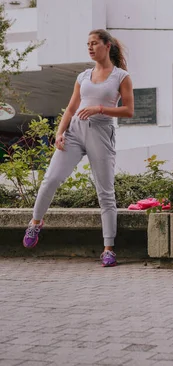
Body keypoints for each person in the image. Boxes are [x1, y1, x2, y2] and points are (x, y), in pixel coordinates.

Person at [22, 29, 134, 267]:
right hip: (74, 132)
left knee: (105, 192)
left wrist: (100, 109)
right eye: (88, 44)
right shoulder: (83, 76)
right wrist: (59, 132)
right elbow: (71, 108)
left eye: (94, 43)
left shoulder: (120, 76)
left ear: (107, 45)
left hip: (101, 132)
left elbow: (128, 111)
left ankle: (108, 249)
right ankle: (35, 224)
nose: (90, 48)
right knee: (50, 179)